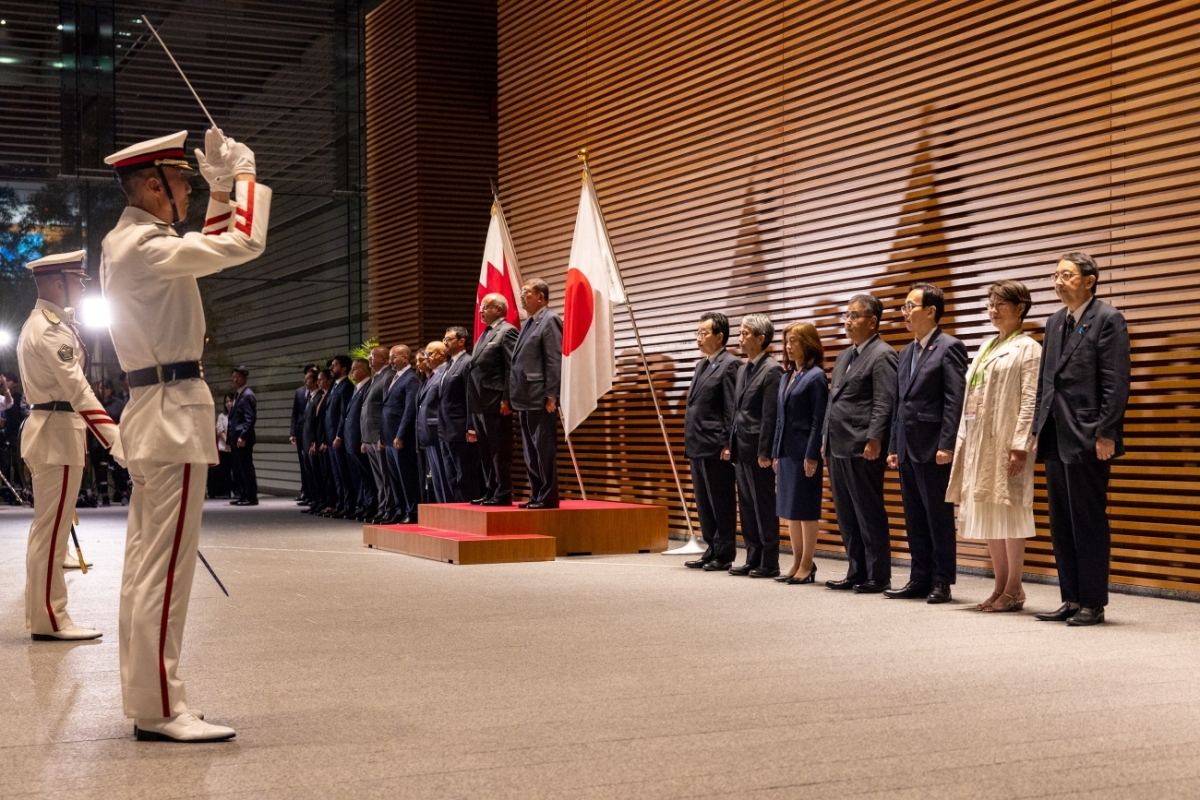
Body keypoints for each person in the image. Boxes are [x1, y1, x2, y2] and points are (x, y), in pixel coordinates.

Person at [102, 126, 268, 742]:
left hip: (156, 412)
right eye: (181, 181)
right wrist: (242, 178)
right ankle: (162, 708)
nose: (188, 191)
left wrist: (223, 188)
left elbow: (214, 240)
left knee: (148, 567)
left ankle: (151, 699)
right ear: (152, 185)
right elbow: (241, 243)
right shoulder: (143, 246)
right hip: (170, 415)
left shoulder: (128, 242)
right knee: (165, 570)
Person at [16, 250, 125, 641]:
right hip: (56, 436)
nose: (82, 286)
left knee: (49, 531)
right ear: (58, 282)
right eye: (78, 280)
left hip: (57, 433)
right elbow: (79, 392)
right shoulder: (49, 329)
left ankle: (44, 613)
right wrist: (116, 442)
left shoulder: (52, 324)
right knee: (51, 533)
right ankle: (51, 618)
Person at [1033, 253, 1131, 626]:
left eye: (1067, 275)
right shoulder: (1056, 321)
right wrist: (1036, 429)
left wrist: (1106, 432)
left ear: (1089, 281)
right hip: (1056, 434)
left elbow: (1116, 382)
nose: (1058, 281)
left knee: (1088, 521)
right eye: (1055, 274)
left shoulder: (1107, 318)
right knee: (1061, 521)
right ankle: (1070, 598)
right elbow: (1047, 380)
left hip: (1089, 435)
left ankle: (1093, 602)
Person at [946, 280, 1041, 613]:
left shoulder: (1028, 347)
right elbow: (971, 398)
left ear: (1020, 308)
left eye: (1001, 303)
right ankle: (1000, 586)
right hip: (979, 442)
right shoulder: (987, 345)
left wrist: (1020, 446)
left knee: (1011, 512)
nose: (993, 308)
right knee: (989, 512)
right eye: (990, 302)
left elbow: (1031, 399)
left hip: (1007, 443)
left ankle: (1015, 587)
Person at [885, 284, 968, 604]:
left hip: (934, 447)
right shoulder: (905, 352)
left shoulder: (950, 347)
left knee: (938, 517)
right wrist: (893, 445)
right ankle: (919, 577)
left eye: (910, 307)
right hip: (907, 447)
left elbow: (954, 401)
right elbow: (899, 404)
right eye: (904, 308)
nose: (905, 313)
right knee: (914, 517)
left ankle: (942, 580)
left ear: (930, 310)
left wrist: (947, 444)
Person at [823, 294, 898, 593]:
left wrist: (875, 437)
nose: (848, 321)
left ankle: (878, 575)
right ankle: (856, 570)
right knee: (846, 513)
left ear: (873, 321)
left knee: (868, 512)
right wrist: (824, 439)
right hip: (838, 444)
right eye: (847, 315)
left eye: (854, 316)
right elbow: (833, 402)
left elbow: (884, 401)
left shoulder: (883, 354)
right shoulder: (845, 356)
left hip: (863, 445)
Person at [772, 322, 828, 585]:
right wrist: (775, 452)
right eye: (786, 341)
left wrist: (812, 454)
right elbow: (779, 419)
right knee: (789, 510)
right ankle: (796, 561)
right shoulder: (786, 376)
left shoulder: (816, 376)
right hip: (785, 450)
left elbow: (818, 420)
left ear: (808, 343)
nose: (788, 346)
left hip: (804, 451)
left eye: (794, 340)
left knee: (805, 509)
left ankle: (808, 562)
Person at [683, 311, 739, 571]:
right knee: (704, 502)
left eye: (704, 333)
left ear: (720, 336)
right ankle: (711, 547)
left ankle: (725, 552)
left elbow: (731, 408)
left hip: (716, 445)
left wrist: (728, 442)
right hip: (697, 444)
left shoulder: (730, 365)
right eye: (697, 333)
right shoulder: (701, 365)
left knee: (721, 500)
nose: (699, 338)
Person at [728, 314, 783, 578]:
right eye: (740, 333)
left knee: (763, 505)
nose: (740, 338)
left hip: (758, 448)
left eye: (745, 333)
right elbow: (738, 411)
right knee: (747, 506)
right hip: (741, 446)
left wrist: (765, 451)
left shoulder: (772, 369)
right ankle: (752, 556)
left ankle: (769, 561)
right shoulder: (742, 368)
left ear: (761, 339)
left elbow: (770, 414)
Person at [508, 279, 563, 509]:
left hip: (540, 396)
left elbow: (553, 359)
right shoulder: (530, 322)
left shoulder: (549, 320)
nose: (522, 296)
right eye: (521, 292)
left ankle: (548, 497)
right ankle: (537, 493)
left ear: (540, 296)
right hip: (524, 397)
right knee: (531, 451)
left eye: (526, 293)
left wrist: (552, 395)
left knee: (543, 447)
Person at [468, 293, 519, 506]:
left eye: (485, 307)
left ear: (499, 309)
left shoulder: (507, 332)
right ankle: (490, 490)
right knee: (486, 451)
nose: (481, 310)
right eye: (481, 307)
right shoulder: (485, 333)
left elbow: (511, 368)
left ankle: (503, 492)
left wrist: (507, 398)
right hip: (480, 402)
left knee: (499, 450)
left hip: (496, 401)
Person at [438, 326, 478, 503]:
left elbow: (471, 397)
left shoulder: (468, 362)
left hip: (461, 428)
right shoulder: (447, 365)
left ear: (461, 341)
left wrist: (471, 427)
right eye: (444, 339)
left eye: (448, 339)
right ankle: (456, 511)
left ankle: (468, 510)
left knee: (465, 474)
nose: (444, 342)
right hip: (446, 429)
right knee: (451, 475)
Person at [382, 345, 420, 523]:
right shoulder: (395, 378)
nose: (390, 361)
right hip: (389, 437)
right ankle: (400, 509)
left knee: (406, 476)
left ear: (405, 358)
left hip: (401, 438)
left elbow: (409, 410)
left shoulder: (411, 379)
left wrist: (401, 434)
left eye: (393, 357)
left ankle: (411, 512)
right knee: (395, 478)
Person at [361, 346, 394, 523]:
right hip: (369, 436)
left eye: (373, 356)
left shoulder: (388, 376)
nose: (369, 359)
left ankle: (388, 510)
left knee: (385, 477)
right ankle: (382, 509)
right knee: (379, 479)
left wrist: (382, 435)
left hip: (378, 435)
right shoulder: (377, 377)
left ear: (383, 359)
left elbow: (385, 409)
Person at [343, 358, 375, 521]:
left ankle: (370, 506)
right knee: (359, 476)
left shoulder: (369, 387)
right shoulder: (357, 388)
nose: (351, 372)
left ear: (364, 370)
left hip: (360, 439)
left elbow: (364, 417)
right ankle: (362, 505)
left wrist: (363, 439)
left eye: (354, 369)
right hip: (351, 440)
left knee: (367, 476)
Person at [416, 341, 449, 502]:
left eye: (430, 354)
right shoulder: (431, 376)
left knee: (444, 477)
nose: (426, 358)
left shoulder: (445, 373)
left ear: (442, 355)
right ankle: (443, 512)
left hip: (438, 431)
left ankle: (449, 513)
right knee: (436, 479)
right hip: (428, 433)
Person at [325, 355, 354, 518]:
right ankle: (340, 503)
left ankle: (348, 505)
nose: (331, 368)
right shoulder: (335, 386)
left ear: (343, 368)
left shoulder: (346, 387)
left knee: (344, 474)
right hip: (330, 438)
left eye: (335, 365)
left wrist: (338, 435)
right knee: (336, 475)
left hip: (338, 438)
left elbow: (344, 414)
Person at [304, 369, 334, 514]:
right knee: (316, 475)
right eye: (319, 379)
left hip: (324, 440)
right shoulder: (320, 397)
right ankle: (318, 501)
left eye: (322, 379)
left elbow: (322, 422)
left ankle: (327, 502)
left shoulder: (325, 396)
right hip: (316, 440)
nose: (319, 382)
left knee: (325, 475)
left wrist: (319, 440)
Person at [228, 366, 258, 505]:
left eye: (238, 377)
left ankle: (251, 496)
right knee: (239, 468)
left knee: (246, 467)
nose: (235, 379)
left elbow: (250, 418)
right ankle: (243, 494)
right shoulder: (238, 395)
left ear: (245, 378)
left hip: (242, 438)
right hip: (236, 438)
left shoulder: (247, 395)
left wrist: (243, 436)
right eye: (234, 377)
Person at [290, 366, 317, 504]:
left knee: (312, 465)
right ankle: (305, 492)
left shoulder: (317, 394)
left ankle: (312, 495)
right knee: (303, 463)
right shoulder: (299, 392)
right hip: (301, 431)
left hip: (311, 434)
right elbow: (295, 414)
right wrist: (292, 432)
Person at [208, 393, 235, 499]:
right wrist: (227, 442)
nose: (228, 403)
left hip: (234, 448)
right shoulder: (222, 417)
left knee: (235, 471)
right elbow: (220, 430)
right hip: (223, 448)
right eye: (226, 402)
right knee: (225, 471)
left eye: (230, 401)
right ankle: (225, 492)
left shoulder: (236, 415)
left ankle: (235, 491)